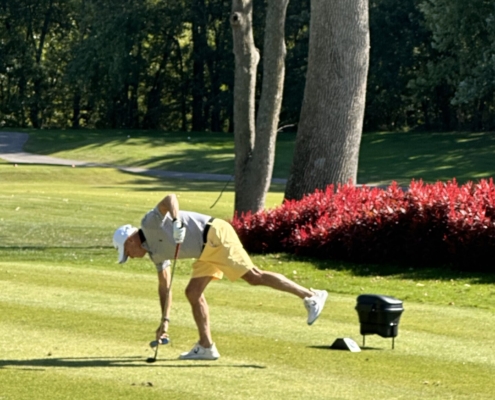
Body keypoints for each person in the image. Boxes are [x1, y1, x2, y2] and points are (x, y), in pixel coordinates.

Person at [113, 193, 328, 360]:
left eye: (127, 253)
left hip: (215, 234)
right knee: (193, 292)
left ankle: (311, 296)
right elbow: (165, 287)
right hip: (205, 252)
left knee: (253, 276)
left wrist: (177, 222)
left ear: (130, 241)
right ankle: (206, 347)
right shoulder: (155, 255)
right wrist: (165, 321)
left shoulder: (148, 223)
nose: (130, 257)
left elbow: (170, 198)